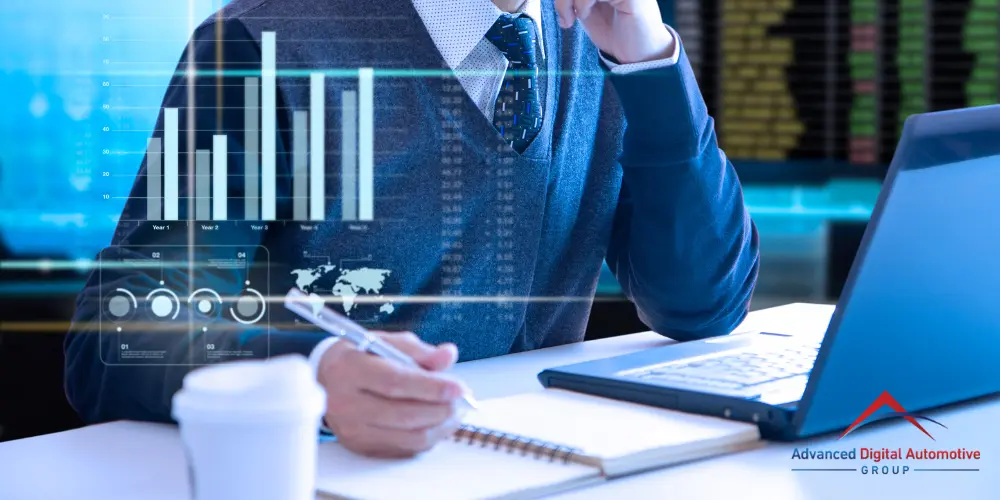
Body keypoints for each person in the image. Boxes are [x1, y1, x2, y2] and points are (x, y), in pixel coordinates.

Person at [65, 0, 759, 458]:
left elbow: (702, 302)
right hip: (332, 473)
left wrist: (647, 59)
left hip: (535, 467)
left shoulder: (602, 31)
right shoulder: (262, 47)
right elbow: (116, 338)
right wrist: (314, 376)